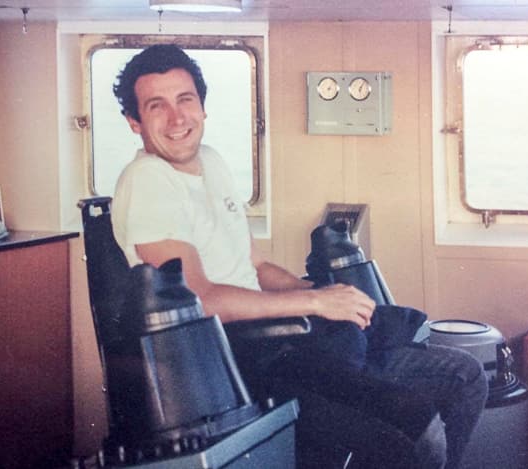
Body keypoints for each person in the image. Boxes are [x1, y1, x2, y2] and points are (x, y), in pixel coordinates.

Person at [111, 44, 487, 469]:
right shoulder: (147, 183)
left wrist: (324, 292)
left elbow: (254, 267)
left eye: (185, 100)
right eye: (157, 106)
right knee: (409, 430)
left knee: (463, 377)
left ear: (202, 107)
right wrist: (313, 303)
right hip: (238, 360)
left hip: (286, 337)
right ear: (134, 122)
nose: (177, 118)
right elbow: (199, 300)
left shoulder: (211, 163)